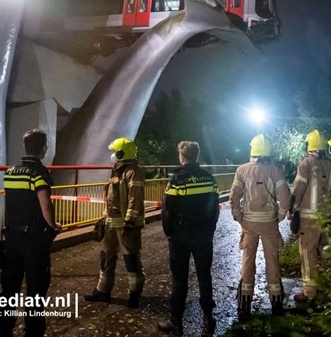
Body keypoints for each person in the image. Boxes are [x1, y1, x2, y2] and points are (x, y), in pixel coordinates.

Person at [0, 128, 62, 337]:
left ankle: (4, 329)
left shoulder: (11, 171)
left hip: (11, 238)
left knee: (10, 287)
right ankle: (33, 331)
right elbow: (45, 206)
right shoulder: (39, 173)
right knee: (35, 288)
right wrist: (54, 225)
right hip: (33, 239)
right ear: (43, 147)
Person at [157, 141, 219, 336]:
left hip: (181, 236)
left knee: (180, 279)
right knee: (204, 276)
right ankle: (208, 320)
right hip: (203, 235)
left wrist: (169, 232)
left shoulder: (176, 179)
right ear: (197, 156)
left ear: (182, 157)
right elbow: (215, 208)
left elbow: (167, 211)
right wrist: (209, 229)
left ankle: (176, 321)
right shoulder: (209, 178)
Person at [229, 134, 291, 320]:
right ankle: (277, 304)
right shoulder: (276, 170)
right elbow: (285, 198)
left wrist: (239, 217)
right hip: (269, 223)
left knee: (248, 261)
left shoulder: (242, 170)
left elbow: (234, 198)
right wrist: (278, 217)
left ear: (252, 150)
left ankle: (245, 305)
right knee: (272, 261)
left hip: (249, 223)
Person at [84, 137, 146, 308]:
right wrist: (104, 218)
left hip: (126, 225)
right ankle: (102, 292)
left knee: (131, 259)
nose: (112, 155)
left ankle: (135, 295)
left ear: (121, 153)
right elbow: (112, 198)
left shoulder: (133, 171)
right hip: (112, 222)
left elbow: (135, 198)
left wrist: (129, 222)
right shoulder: (118, 170)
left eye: (114, 151)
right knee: (106, 256)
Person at [289, 129, 331, 304]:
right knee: (325, 253)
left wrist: (291, 209)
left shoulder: (306, 164)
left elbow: (298, 189)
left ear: (309, 145)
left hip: (309, 220)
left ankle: (309, 292)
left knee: (308, 254)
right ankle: (327, 288)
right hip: (327, 217)